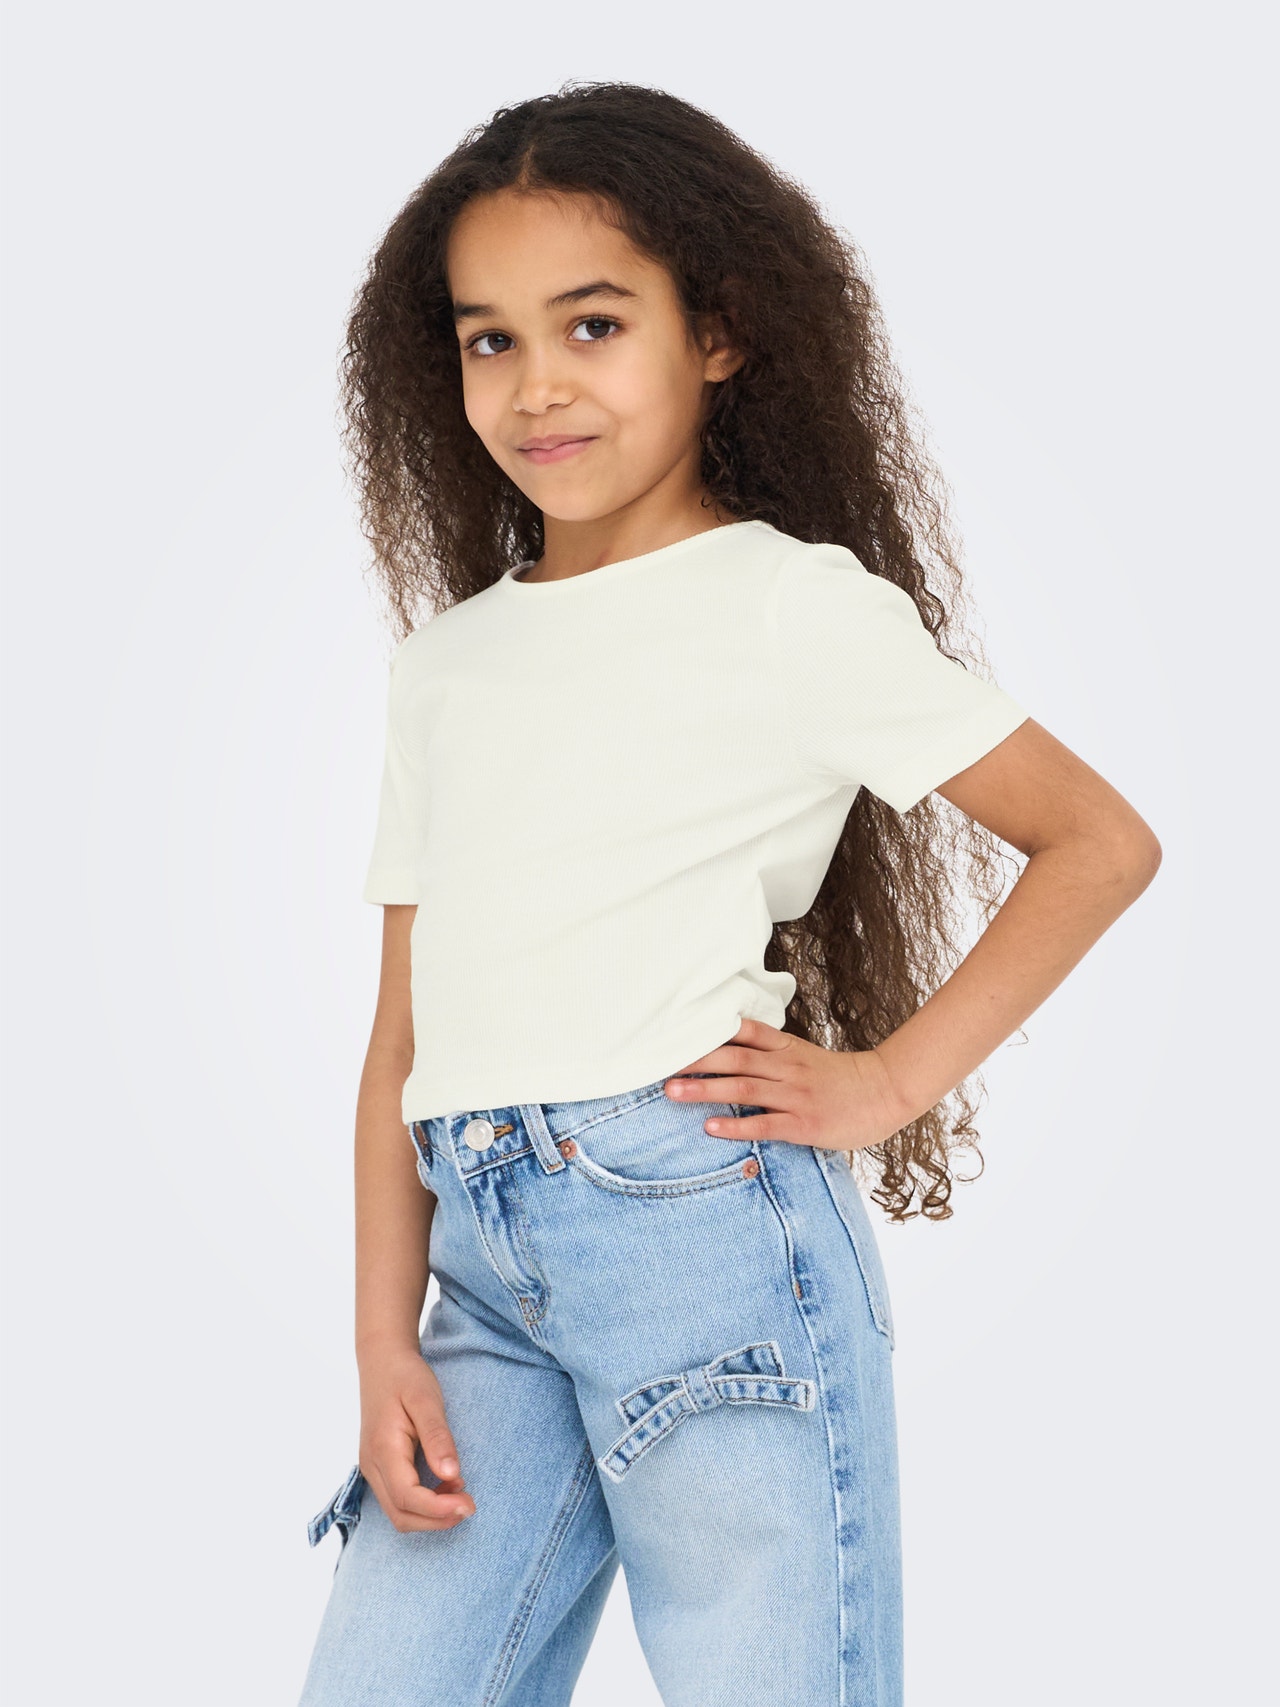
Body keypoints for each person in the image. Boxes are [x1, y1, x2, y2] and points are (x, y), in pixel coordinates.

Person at [296, 81, 1161, 1707]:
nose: (538, 385)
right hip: (478, 1275)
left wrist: (888, 1082)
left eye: (593, 324)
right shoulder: (446, 666)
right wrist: (380, 1337)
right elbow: (402, 1035)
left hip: (705, 1242)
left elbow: (1097, 841)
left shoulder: (786, 604)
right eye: (489, 339)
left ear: (719, 333)